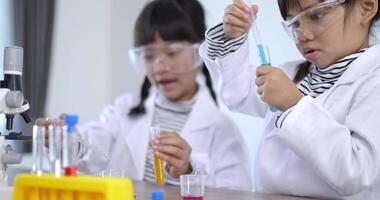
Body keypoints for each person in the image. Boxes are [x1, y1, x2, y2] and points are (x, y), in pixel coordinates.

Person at [199, 0, 380, 198]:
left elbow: (355, 171)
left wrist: (294, 105)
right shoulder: (291, 74)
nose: (302, 35)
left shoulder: (373, 80)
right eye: (294, 24)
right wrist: (231, 37)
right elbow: (238, 93)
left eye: (316, 15)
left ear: (366, 7)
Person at [74, 0, 252, 190]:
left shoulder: (222, 131)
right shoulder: (123, 109)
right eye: (149, 56)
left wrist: (189, 171)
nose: (160, 67)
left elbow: (236, 193)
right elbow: (94, 146)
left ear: (199, 52)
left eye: (172, 53)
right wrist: (69, 142)